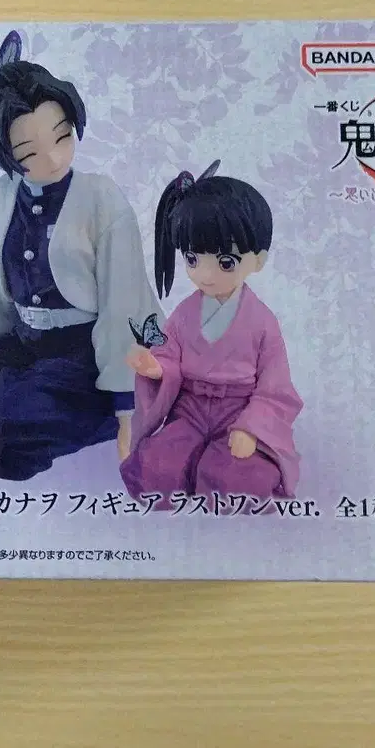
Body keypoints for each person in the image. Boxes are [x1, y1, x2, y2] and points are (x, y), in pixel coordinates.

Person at [0, 31, 161, 481]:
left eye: (63, 137)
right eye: (28, 152)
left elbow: (124, 305)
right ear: (3, 154)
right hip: (26, 344)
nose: (53, 160)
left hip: (90, 353)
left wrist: (125, 404)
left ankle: (73, 416)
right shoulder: (0, 199)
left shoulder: (101, 198)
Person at [119, 160, 303, 508]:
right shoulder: (184, 314)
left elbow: (274, 387)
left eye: (225, 262)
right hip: (189, 409)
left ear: (258, 260)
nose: (205, 274)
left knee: (237, 478)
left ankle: (222, 467)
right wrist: (154, 367)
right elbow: (169, 355)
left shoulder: (262, 322)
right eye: (192, 258)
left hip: (239, 409)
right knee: (157, 468)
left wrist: (251, 428)